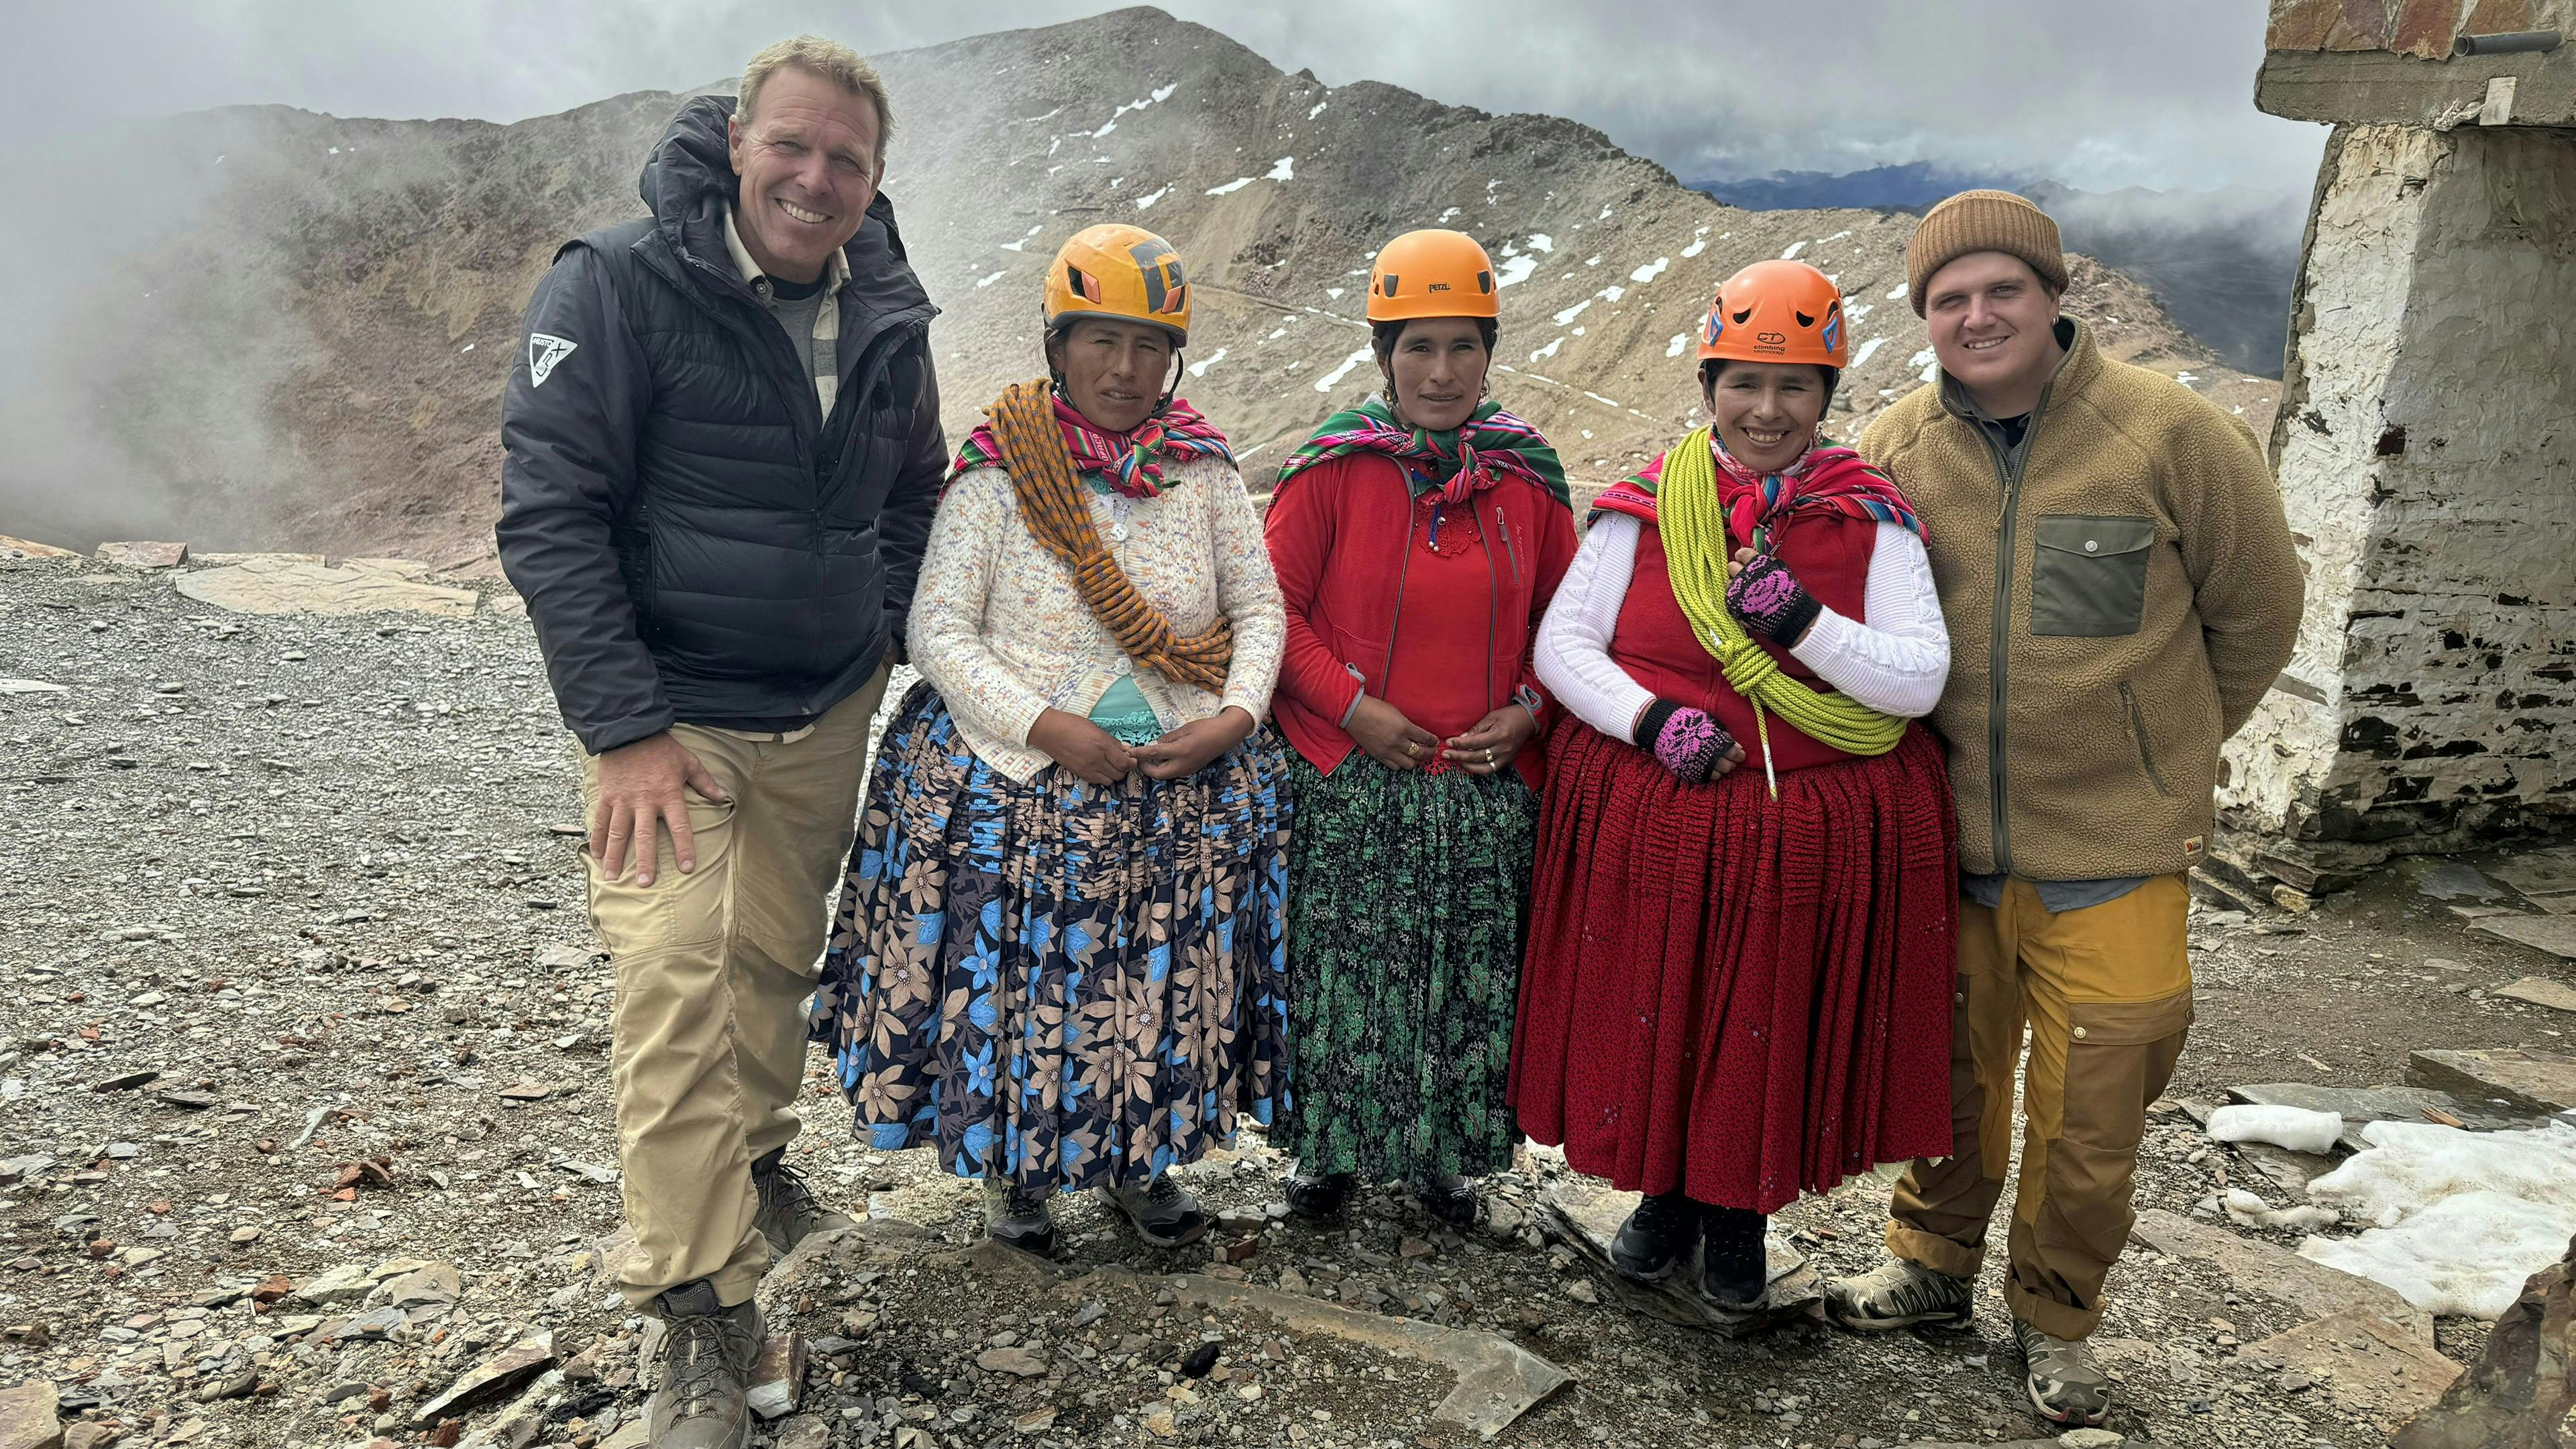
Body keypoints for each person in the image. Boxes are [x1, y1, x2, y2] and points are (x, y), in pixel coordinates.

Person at [495, 36, 941, 1449]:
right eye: (794, 148)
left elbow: (914, 490)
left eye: (848, 160)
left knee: (766, 968)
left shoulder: (885, 308)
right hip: (671, 721)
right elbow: (549, 511)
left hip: (823, 708)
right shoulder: (616, 283)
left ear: (874, 180)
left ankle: (746, 1166)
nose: (817, 180)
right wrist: (624, 732)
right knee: (674, 982)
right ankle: (697, 1309)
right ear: (739, 141)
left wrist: (879, 635)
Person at [1822, 190, 2302, 1429]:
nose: (1977, 317)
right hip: (1950, 842)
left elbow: (2255, 613)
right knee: (1947, 1077)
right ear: (1924, 316)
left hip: (2118, 849)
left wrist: (2167, 748)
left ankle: (2055, 1318)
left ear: (2053, 295)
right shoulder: (1893, 451)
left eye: (2003, 291)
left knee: (2096, 1111)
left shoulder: (2171, 434)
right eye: (1949, 299)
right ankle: (1930, 1268)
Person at [808, 223, 1288, 1258]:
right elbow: (939, 627)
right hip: (1013, 781)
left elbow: (1258, 607)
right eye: (1100, 340)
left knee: (1147, 987)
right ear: (1056, 343)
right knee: (1021, 992)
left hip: (1173, 782)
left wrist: (1234, 718)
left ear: (1175, 359)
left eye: (1149, 346)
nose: (1124, 368)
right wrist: (1046, 727)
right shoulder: (995, 473)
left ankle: (1137, 1160)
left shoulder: (1204, 475)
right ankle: (1013, 1175)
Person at [1511, 259, 1959, 1320]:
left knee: (1760, 1018)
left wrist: (1801, 622)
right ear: (1709, 384)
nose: (1767, 410)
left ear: (1826, 397)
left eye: (1795, 386)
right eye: (1744, 384)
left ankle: (1737, 1220)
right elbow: (1566, 643)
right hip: (1665, 809)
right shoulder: (1643, 506)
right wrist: (1653, 720)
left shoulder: (1871, 520)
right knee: (1658, 1006)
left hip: (1793, 825)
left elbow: (1918, 675)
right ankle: (1665, 1198)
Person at [1261, 229, 1578, 1226]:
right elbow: (1274, 614)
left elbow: (1572, 627)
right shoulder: (1333, 469)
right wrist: (1355, 709)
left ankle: (1446, 1156)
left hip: (1481, 784)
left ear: (1490, 352)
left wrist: (1527, 713)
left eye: (1463, 347)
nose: (1441, 372)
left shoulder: (1528, 478)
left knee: (1464, 976)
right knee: (1346, 966)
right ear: (1383, 354)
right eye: (1417, 348)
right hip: (1353, 773)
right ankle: (1330, 1155)